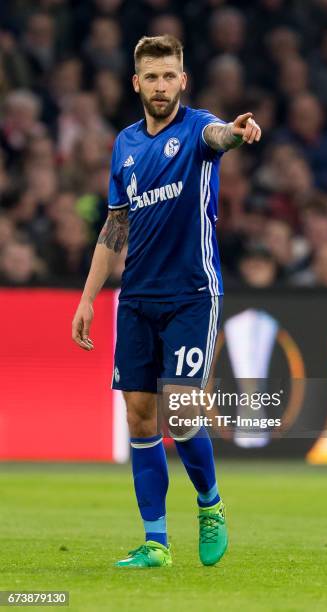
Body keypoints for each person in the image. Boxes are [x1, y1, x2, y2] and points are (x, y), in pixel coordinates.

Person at [71, 35, 261, 569]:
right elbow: (115, 226)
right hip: (136, 298)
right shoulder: (125, 145)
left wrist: (238, 132)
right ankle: (155, 542)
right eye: (151, 76)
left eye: (169, 75)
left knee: (180, 410)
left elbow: (221, 136)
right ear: (137, 83)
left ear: (184, 80)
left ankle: (211, 505)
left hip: (192, 293)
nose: (160, 85)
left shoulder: (198, 129)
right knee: (138, 415)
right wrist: (88, 298)